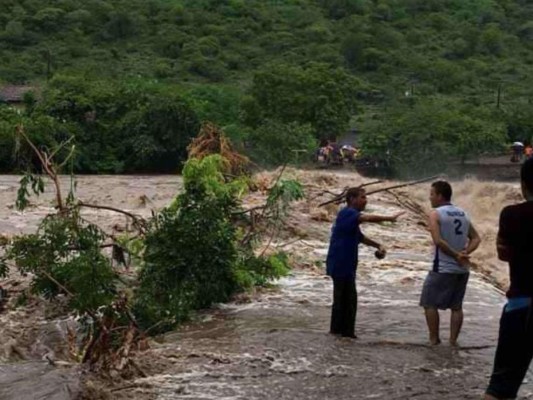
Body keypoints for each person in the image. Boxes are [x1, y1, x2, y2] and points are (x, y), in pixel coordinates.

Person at [326, 187, 404, 338]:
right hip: (341, 263)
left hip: (345, 264)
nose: (365, 200)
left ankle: (342, 334)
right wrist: (389, 218)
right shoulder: (348, 213)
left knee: (346, 301)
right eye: (362, 197)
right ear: (352, 199)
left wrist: (377, 245)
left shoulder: (349, 218)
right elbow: (366, 218)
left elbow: (360, 237)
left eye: (365, 197)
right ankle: (341, 333)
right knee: (346, 301)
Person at [485, 158, 533, 399]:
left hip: (521, 305)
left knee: (500, 388)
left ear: (524, 184)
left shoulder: (511, 214)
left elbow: (503, 254)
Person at [420, 181, 481, 346]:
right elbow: (476, 238)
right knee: (456, 307)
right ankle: (453, 342)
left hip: (442, 267)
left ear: (440, 196)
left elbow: (438, 241)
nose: (430, 197)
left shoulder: (435, 214)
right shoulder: (463, 213)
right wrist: (465, 253)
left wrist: (456, 255)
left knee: (428, 303)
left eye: (432, 194)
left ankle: (434, 339)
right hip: (462, 269)